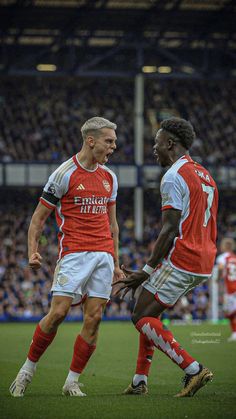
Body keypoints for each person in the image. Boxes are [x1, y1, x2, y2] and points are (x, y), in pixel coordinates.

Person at [10, 116, 124, 397]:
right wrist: (32, 252)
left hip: (104, 255)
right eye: (109, 141)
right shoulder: (63, 174)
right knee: (58, 313)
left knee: (94, 318)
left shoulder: (110, 177)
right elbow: (38, 219)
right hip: (74, 253)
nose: (113, 147)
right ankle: (26, 371)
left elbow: (113, 224)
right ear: (91, 140)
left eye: (114, 142)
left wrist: (117, 263)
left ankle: (72, 381)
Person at [114, 117, 218, 397]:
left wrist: (146, 271)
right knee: (151, 313)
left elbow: (170, 228)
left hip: (185, 257)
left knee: (139, 316)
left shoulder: (173, 176)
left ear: (170, 143)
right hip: (205, 258)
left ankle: (193, 369)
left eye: (156, 142)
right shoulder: (204, 174)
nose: (154, 148)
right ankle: (139, 381)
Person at [216, 238, 236, 342]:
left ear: (224, 246)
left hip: (230, 288)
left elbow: (220, 268)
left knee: (229, 313)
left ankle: (234, 333)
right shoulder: (234, 257)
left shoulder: (222, 258)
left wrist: (218, 278)